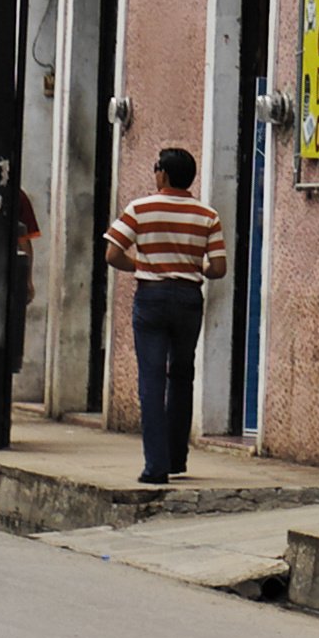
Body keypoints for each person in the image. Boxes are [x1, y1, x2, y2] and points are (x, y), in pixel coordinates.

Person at [102, 146, 225, 485]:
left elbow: (113, 253)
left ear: (163, 174)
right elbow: (218, 268)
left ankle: (154, 466)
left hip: (151, 298)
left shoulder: (140, 208)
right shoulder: (207, 215)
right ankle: (175, 458)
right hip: (188, 299)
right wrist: (190, 266)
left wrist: (142, 265)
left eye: (156, 167)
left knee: (151, 381)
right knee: (182, 375)